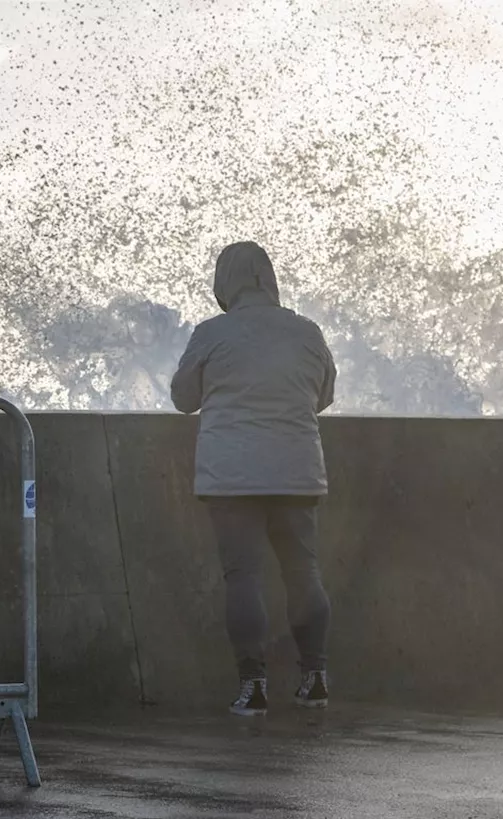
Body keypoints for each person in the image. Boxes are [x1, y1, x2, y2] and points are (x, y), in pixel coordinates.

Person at [170, 241, 337, 717]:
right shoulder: (307, 332)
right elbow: (324, 394)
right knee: (303, 572)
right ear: (269, 277)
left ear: (226, 282)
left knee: (243, 577)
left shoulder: (212, 332)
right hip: (297, 470)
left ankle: (253, 686)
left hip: (233, 475)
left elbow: (184, 399)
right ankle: (315, 677)